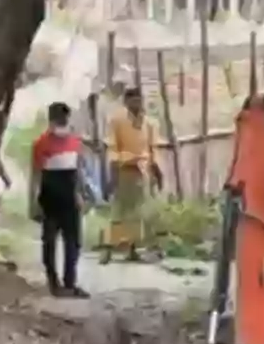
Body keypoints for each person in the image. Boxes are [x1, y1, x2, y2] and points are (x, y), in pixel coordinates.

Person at [29, 102, 92, 298]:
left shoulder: (75, 142)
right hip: (50, 197)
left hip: (71, 196)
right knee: (49, 241)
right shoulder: (41, 144)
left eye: (64, 119)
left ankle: (70, 283)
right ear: (51, 120)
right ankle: (53, 282)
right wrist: (32, 203)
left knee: (74, 242)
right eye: (58, 119)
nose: (62, 123)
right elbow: (36, 175)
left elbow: (79, 171)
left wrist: (83, 192)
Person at [102, 87, 163, 264]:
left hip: (143, 171)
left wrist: (158, 172)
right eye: (132, 100)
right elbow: (113, 149)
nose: (136, 103)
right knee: (119, 212)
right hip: (124, 170)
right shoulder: (117, 121)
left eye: (139, 99)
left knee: (142, 212)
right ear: (126, 102)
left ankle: (134, 249)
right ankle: (108, 249)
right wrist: (112, 176)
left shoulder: (150, 123)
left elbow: (154, 149)